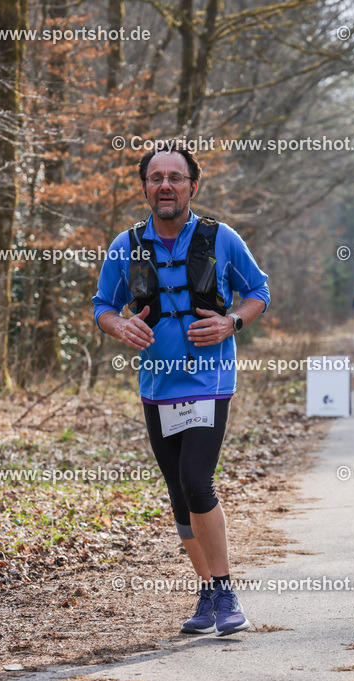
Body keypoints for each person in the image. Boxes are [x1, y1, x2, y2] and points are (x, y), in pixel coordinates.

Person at [92, 141, 270, 637]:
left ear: (193, 185)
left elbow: (259, 291)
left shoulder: (220, 238)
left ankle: (227, 590)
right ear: (145, 186)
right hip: (157, 385)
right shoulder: (126, 245)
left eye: (175, 177)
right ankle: (208, 592)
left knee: (197, 481)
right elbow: (103, 304)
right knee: (176, 493)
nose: (165, 185)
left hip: (209, 381)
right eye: (156, 177)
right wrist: (119, 327)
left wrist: (232, 322)